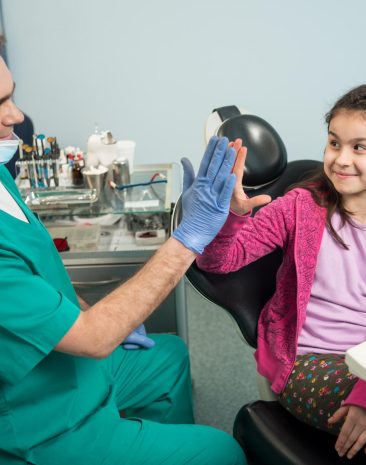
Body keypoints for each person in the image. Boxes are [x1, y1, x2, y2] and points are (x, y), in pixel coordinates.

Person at [0, 56, 247, 465]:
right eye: (0, 102)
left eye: (12, 95)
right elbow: (93, 339)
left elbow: (41, 277)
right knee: (222, 452)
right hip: (39, 423)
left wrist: (102, 313)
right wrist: (188, 238)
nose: (17, 114)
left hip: (64, 366)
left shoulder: (2, 176)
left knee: (169, 358)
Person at [197, 83, 366, 462]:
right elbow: (219, 262)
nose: (341, 159)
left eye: (359, 147)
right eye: (334, 143)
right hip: (308, 362)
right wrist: (232, 215)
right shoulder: (301, 206)